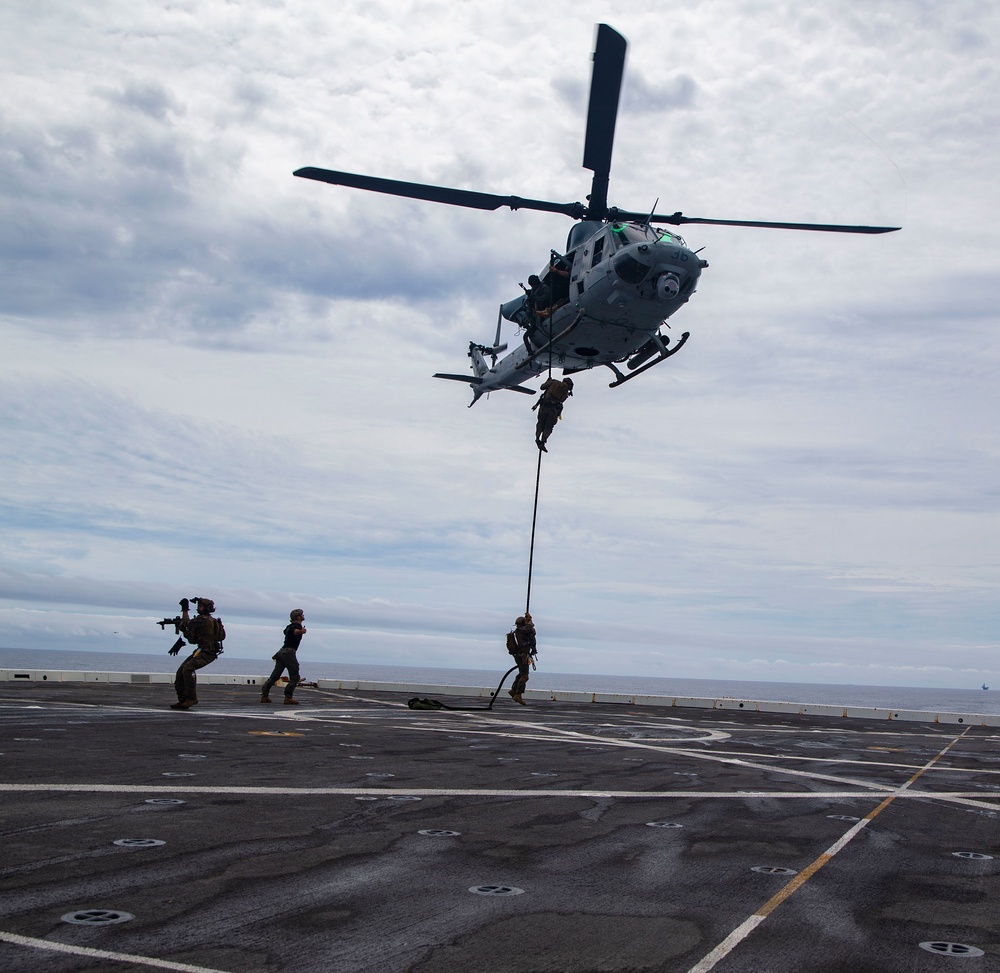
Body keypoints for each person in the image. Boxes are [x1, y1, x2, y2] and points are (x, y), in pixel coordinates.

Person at [170, 598, 225, 710]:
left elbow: (187, 623)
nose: (198, 608)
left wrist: (185, 610)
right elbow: (193, 639)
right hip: (202, 651)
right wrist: (184, 630)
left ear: (207, 608)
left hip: (207, 652)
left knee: (188, 668)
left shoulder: (204, 620)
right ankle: (183, 700)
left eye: (200, 606)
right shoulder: (207, 620)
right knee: (181, 671)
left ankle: (191, 698)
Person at [260, 609, 307, 705]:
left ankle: (264, 696)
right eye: (301, 614)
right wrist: (301, 631)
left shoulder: (289, 626)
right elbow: (295, 631)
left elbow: (286, 631)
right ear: (298, 617)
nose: (303, 615)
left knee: (274, 676)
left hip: (281, 653)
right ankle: (288, 697)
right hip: (289, 653)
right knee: (295, 676)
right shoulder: (296, 626)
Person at [532, 376, 574, 451]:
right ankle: (543, 441)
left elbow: (542, 387)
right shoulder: (566, 393)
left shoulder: (554, 382)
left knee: (541, 423)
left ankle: (537, 438)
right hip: (553, 411)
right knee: (549, 427)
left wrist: (547, 381)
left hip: (544, 407)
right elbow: (561, 401)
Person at [507, 613, 537, 705]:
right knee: (525, 676)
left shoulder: (521, 630)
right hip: (522, 656)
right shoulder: (521, 630)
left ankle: (513, 690)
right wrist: (530, 620)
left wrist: (529, 621)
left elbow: (532, 631)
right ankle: (518, 694)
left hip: (521, 655)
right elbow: (529, 628)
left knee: (521, 674)